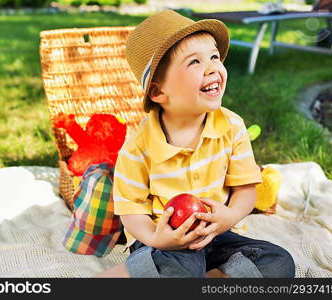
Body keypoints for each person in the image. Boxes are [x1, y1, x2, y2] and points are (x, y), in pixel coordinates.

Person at [94, 9, 295, 278]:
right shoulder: (139, 146)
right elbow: (132, 212)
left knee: (278, 262)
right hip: (166, 243)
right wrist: (159, 239)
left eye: (214, 56)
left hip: (216, 234)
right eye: (195, 62)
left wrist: (229, 217)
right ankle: (118, 277)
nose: (213, 67)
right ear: (158, 91)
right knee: (177, 266)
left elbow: (246, 190)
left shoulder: (231, 126)